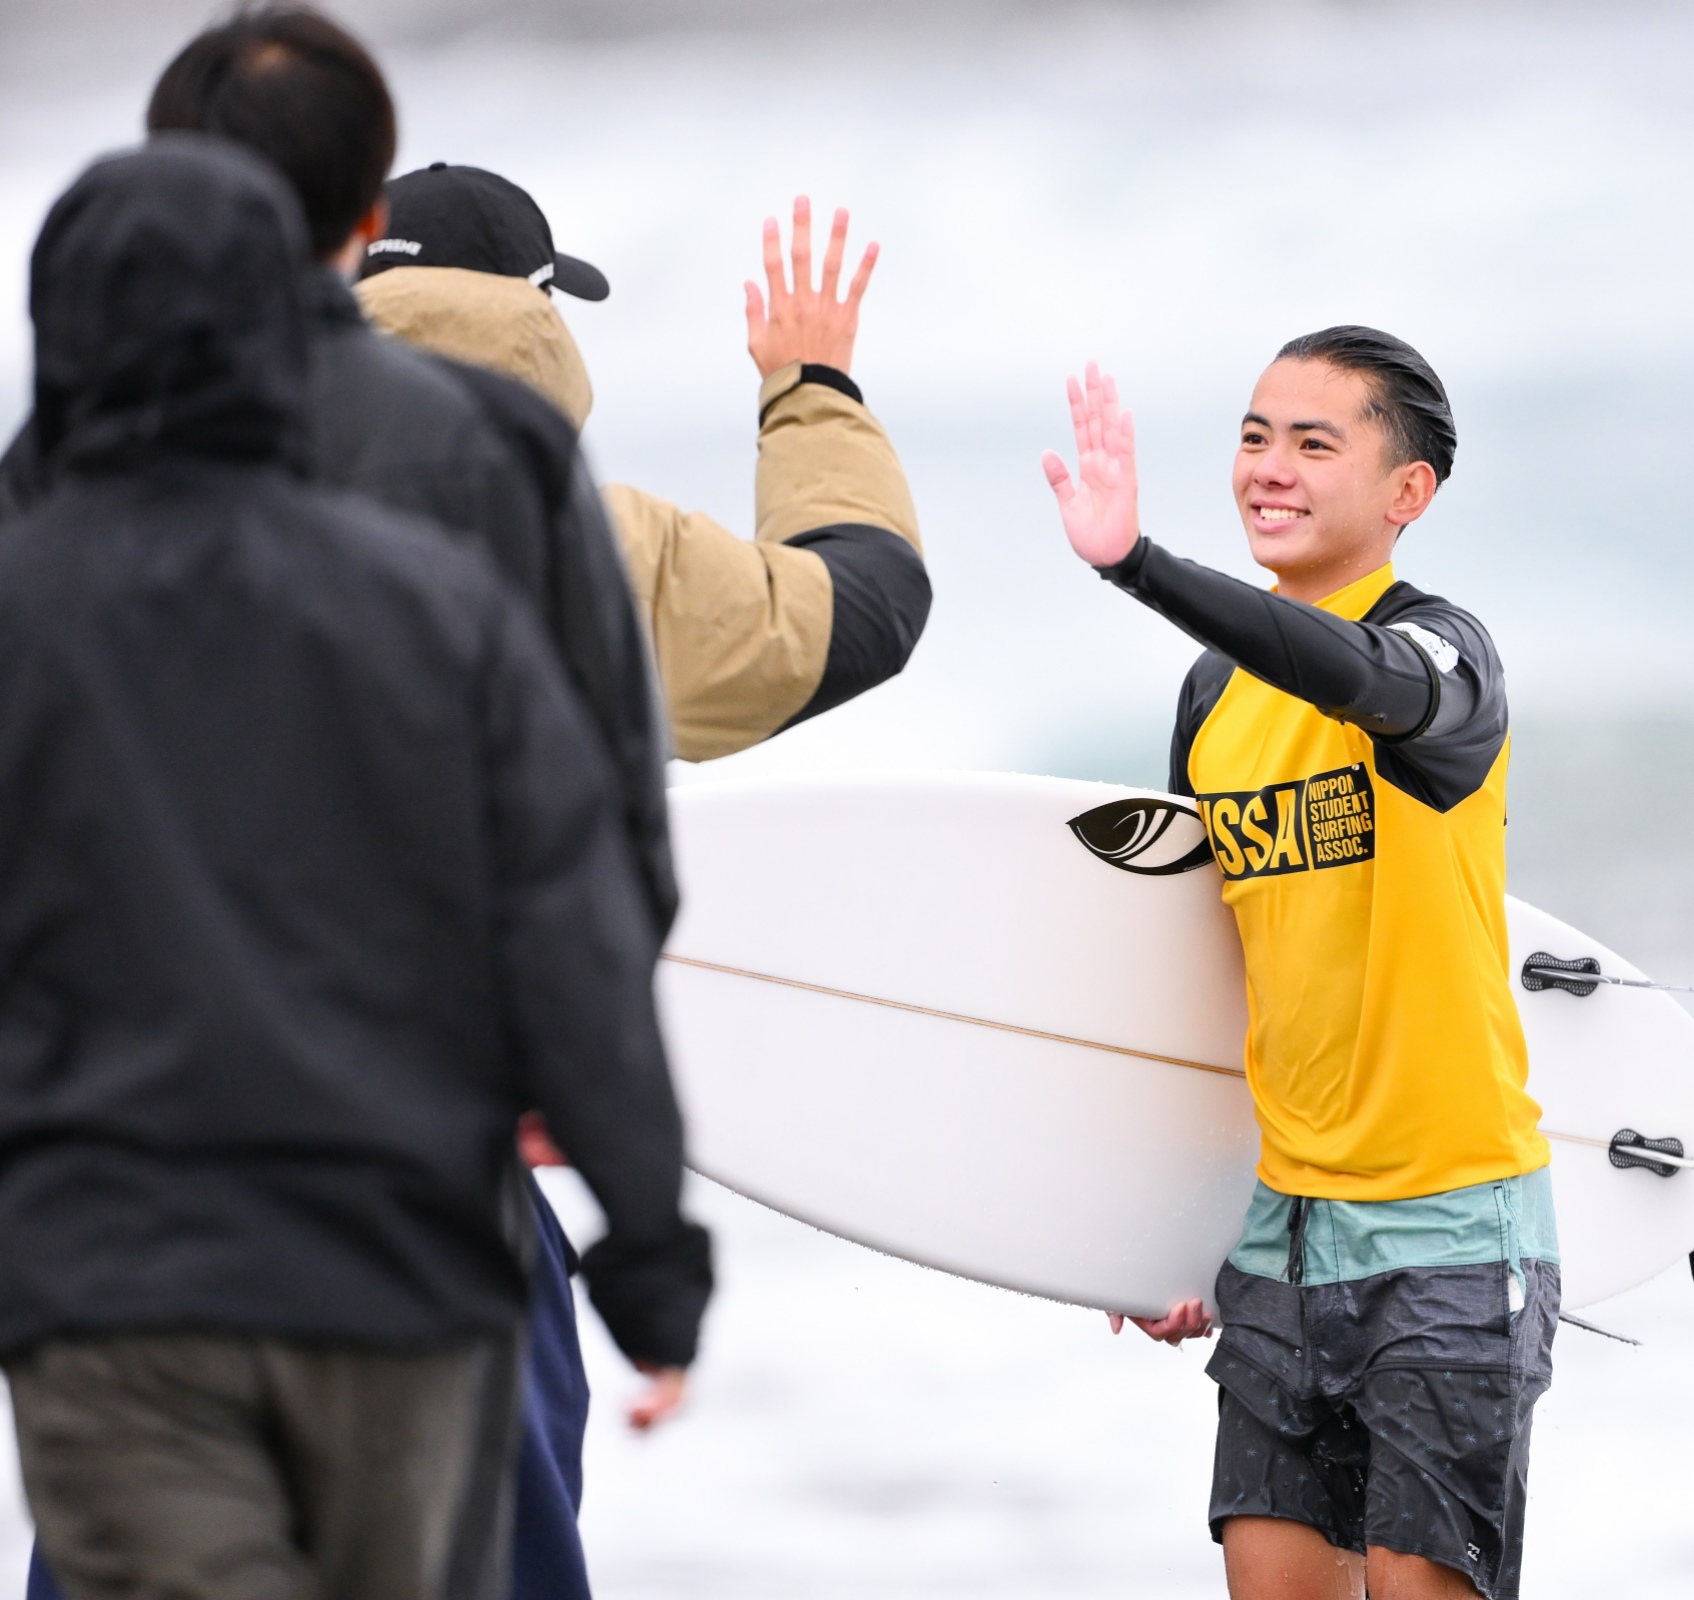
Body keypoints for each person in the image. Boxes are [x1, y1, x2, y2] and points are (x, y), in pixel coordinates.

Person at [0, 11, 679, 1600]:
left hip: (115, 1218)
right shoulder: (492, 456)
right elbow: (598, 849)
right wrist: (599, 1144)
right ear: (365, 211)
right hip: (418, 1196)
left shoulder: (37, 503)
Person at [1041, 331, 1559, 1600]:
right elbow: (1205, 974)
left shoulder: (1445, 661)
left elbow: (1360, 674)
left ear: (1407, 491)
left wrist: (1140, 565)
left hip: (1448, 1228)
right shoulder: (1215, 693)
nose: (1269, 467)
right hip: (1283, 1230)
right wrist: (1162, 1224)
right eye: (1254, 436)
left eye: (1313, 443)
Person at [353, 164, 931, 762]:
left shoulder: (284, 509)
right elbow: (871, 603)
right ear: (536, 312)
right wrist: (813, 386)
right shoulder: (595, 554)